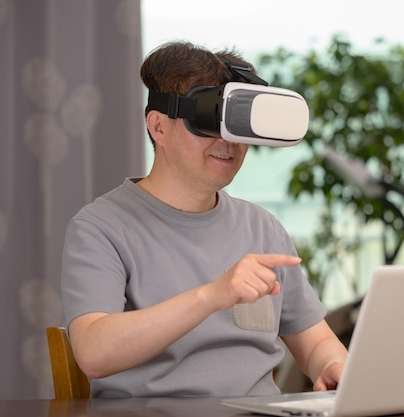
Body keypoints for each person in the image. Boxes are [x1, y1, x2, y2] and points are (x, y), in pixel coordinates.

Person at [60, 40, 347, 398]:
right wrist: (213, 295)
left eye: (237, 125)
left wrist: (332, 365)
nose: (227, 142)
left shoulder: (262, 228)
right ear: (158, 127)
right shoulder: (101, 229)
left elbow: (316, 341)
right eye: (208, 122)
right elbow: (93, 352)